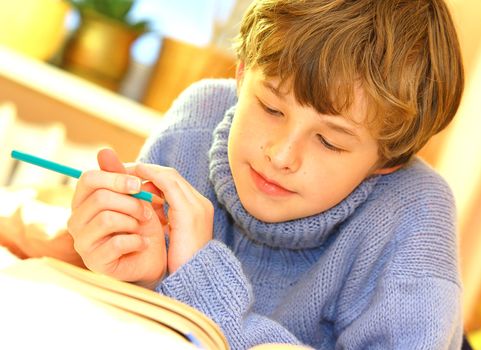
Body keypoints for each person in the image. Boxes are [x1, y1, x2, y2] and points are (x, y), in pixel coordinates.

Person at [67, 0, 465, 348]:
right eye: (271, 109)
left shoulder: (415, 220)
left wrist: (200, 283)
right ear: (241, 75)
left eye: (329, 142)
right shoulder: (192, 129)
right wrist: (134, 273)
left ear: (386, 161)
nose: (281, 155)